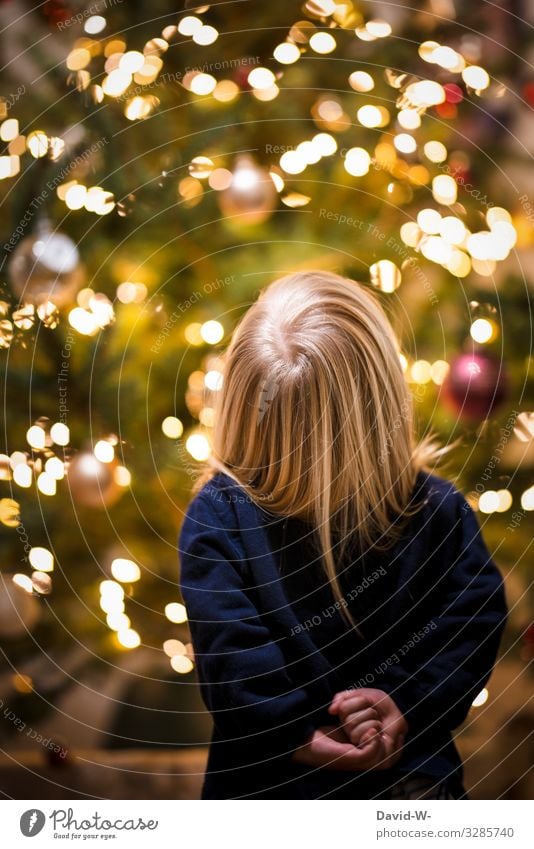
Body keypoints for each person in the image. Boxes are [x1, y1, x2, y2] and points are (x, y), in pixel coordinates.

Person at [179, 270, 507, 800]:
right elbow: (470, 626)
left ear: (239, 409)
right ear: (381, 402)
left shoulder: (216, 513)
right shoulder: (440, 507)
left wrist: (396, 703)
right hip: (344, 779)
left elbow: (232, 663)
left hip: (339, 782)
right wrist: (387, 707)